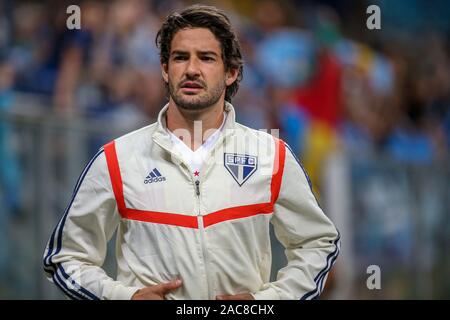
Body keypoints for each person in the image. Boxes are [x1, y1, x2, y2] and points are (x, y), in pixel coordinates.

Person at [43, 4, 340, 300]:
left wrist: (265, 302)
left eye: (207, 58)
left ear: (231, 73)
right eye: (180, 57)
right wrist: (125, 297)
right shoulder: (117, 159)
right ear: (165, 69)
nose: (192, 69)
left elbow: (317, 243)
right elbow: (65, 258)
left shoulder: (271, 155)